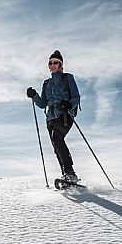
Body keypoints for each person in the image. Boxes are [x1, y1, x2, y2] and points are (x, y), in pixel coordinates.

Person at [26, 50, 80, 183]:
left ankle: (70, 173)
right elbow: (43, 103)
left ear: (61, 64)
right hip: (50, 118)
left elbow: (76, 97)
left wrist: (69, 104)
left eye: (56, 62)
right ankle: (66, 175)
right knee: (56, 145)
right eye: (50, 63)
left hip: (65, 114)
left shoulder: (68, 78)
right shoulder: (46, 83)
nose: (52, 65)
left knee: (57, 138)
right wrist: (34, 96)